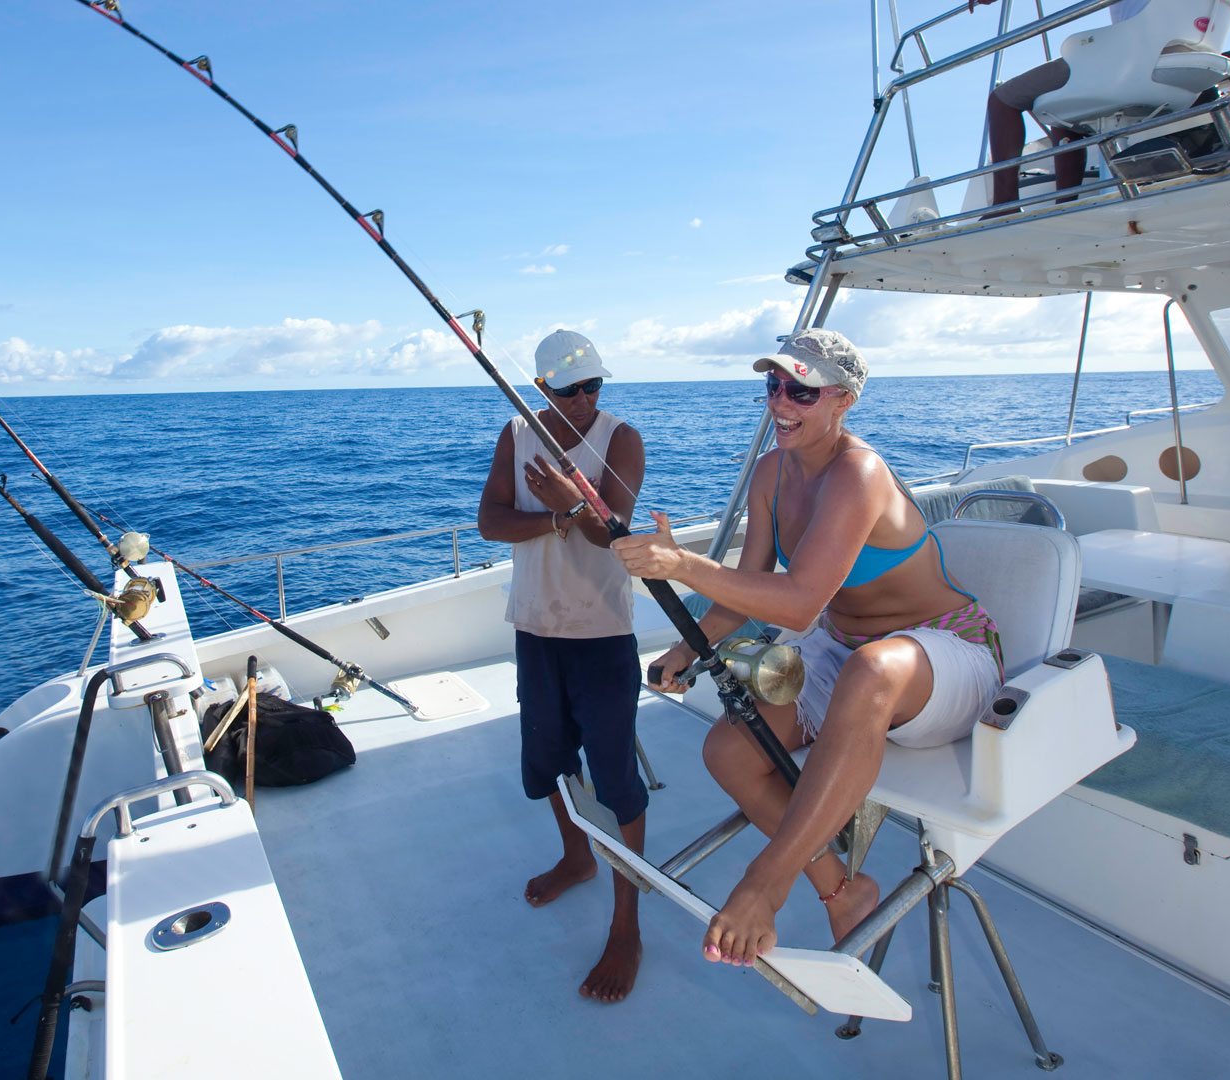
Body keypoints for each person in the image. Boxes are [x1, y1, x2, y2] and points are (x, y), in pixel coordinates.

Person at [610, 329, 1003, 967]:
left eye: (802, 390)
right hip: (848, 653)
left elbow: (797, 604)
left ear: (842, 400)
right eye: (773, 385)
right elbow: (749, 590)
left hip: (943, 655)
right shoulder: (771, 473)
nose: (781, 401)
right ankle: (842, 890)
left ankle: (766, 884)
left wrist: (680, 564)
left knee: (873, 667)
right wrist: (692, 645)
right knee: (729, 750)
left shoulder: (860, 472)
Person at [476, 328, 649, 1002]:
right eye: (571, 388)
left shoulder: (620, 438)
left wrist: (569, 505)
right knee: (546, 758)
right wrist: (555, 519)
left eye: (593, 386)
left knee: (615, 778)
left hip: (602, 633)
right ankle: (579, 857)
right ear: (543, 387)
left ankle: (627, 924)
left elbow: (615, 530)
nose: (584, 399)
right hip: (536, 627)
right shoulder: (518, 434)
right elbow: (490, 520)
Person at [978, 0, 1151, 208]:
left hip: (1129, 60)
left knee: (1002, 99)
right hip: (1186, 59)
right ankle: (1065, 204)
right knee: (1060, 104)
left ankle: (1005, 206)